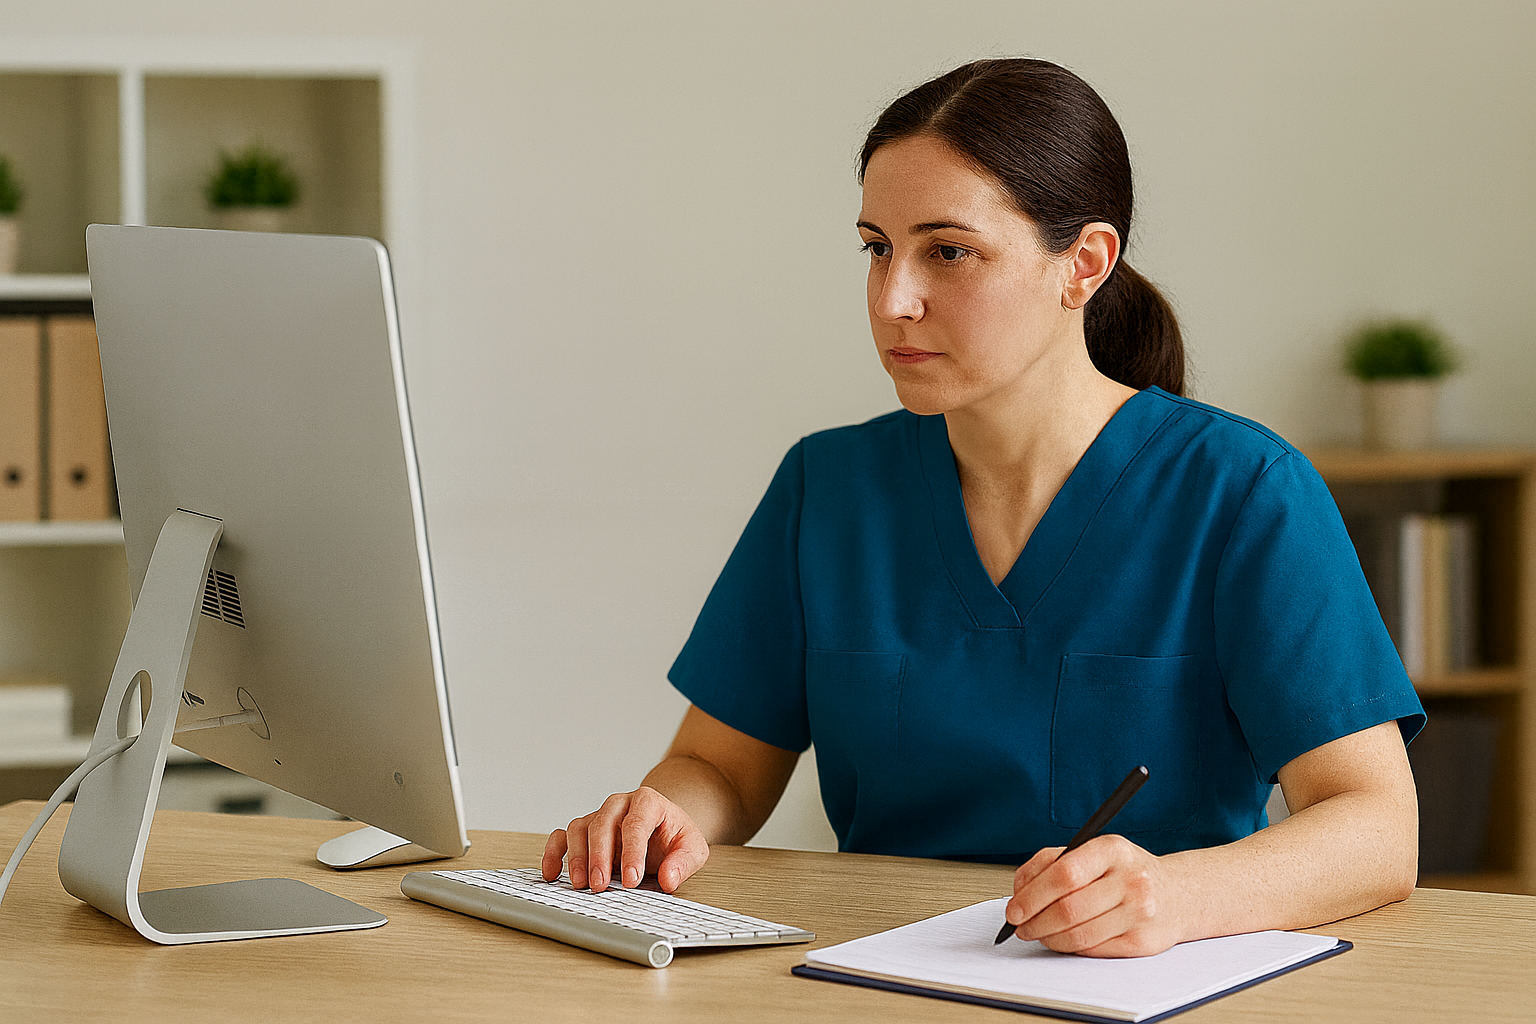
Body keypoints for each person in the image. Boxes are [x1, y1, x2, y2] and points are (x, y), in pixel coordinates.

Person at [542, 58, 1424, 958]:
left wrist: (1177, 893)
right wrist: (661, 816)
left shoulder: (1242, 490)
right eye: (876, 247)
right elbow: (720, 767)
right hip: (872, 978)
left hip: (1139, 988)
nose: (894, 299)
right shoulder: (828, 486)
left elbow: (1378, 826)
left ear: (1084, 263)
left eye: (948, 251)